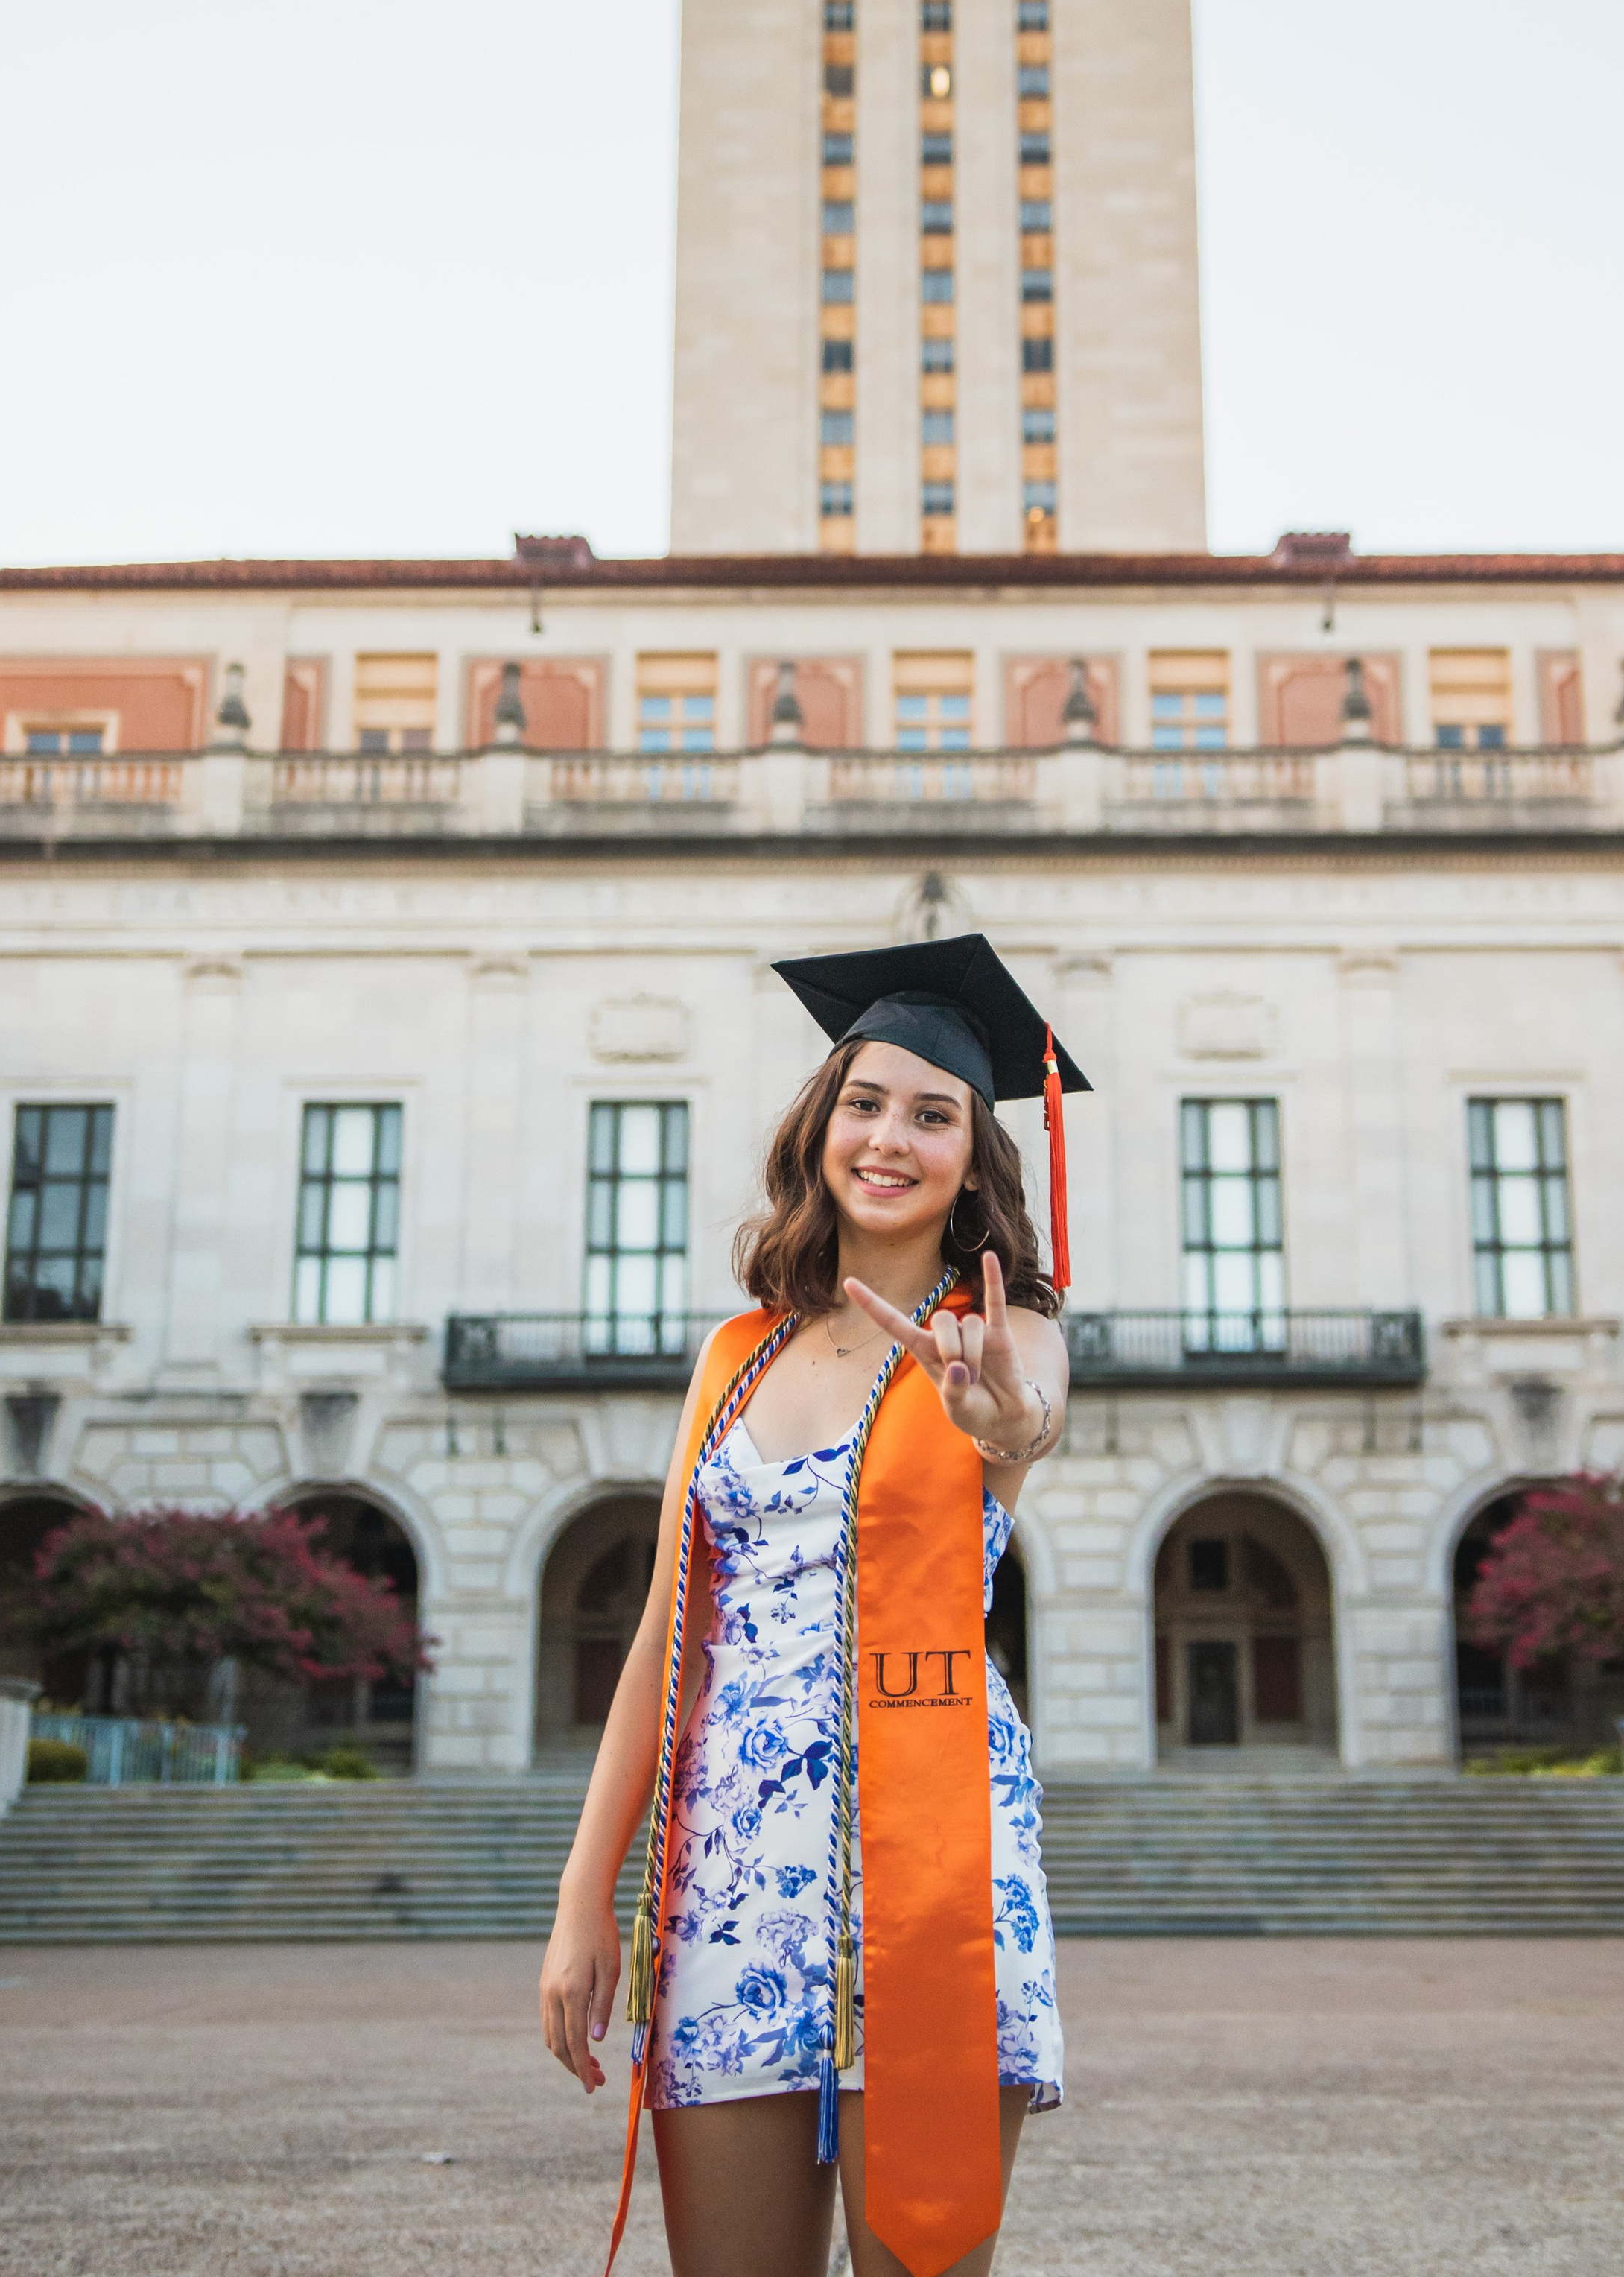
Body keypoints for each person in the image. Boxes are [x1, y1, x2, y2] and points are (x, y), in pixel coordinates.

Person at [539, 934, 1089, 2277]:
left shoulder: (1004, 1338)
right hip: (729, 1873)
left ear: (976, 1155)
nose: (889, 1136)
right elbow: (666, 1636)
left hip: (940, 1864)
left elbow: (1031, 1412)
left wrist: (995, 1412)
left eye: (933, 1112)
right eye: (865, 1100)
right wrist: (580, 1896)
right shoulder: (734, 1356)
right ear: (820, 1120)